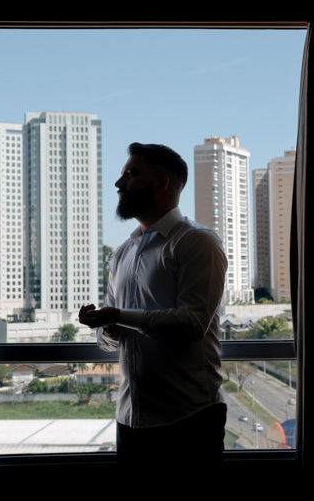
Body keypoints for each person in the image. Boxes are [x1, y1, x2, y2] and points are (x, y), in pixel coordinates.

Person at [78, 143, 228, 475]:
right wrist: (109, 329)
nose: (119, 185)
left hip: (189, 419)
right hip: (130, 418)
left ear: (160, 183)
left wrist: (118, 316)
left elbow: (192, 323)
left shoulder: (197, 242)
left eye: (130, 175)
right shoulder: (122, 253)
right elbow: (111, 343)